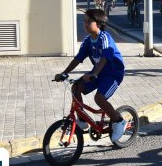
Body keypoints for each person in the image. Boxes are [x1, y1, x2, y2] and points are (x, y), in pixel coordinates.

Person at [54, 9, 127, 142]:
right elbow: (78, 59)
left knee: (99, 98)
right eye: (84, 21)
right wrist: (64, 73)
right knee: (76, 87)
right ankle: (82, 120)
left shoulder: (104, 37)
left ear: (98, 24)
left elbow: (105, 58)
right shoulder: (88, 40)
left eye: (88, 21)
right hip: (98, 72)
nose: (85, 24)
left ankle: (119, 121)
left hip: (113, 73)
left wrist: (94, 74)